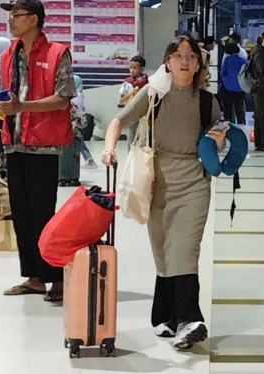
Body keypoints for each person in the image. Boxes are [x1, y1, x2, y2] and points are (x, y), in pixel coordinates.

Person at [102, 35, 222, 350]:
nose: (185, 61)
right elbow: (119, 119)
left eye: (191, 56)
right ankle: (163, 316)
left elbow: (219, 138)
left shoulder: (208, 101)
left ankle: (189, 320)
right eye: (178, 55)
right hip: (156, 179)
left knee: (185, 248)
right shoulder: (152, 94)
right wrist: (109, 148)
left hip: (195, 179)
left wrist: (220, 141)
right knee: (164, 250)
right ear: (167, 61)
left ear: (199, 63)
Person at [0, 0, 77, 302]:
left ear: (33, 20)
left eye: (16, 16)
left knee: (44, 214)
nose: (11, 21)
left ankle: (55, 277)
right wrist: (4, 108)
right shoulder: (7, 55)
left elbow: (63, 97)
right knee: (22, 215)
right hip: (14, 142)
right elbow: (6, 93)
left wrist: (23, 107)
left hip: (44, 145)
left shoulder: (57, 52)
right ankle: (33, 278)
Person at [119, 55, 148, 148]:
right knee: (131, 139)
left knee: (145, 139)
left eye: (135, 68)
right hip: (132, 112)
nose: (132, 70)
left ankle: (143, 161)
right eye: (130, 68)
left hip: (145, 114)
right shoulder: (127, 82)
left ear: (142, 69)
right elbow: (121, 100)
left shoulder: (148, 82)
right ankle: (130, 160)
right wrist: (131, 93)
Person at [220, 42, 247, 126]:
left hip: (227, 86)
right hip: (240, 87)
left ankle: (229, 123)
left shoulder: (227, 60)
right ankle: (241, 123)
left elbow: (222, 72)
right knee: (239, 106)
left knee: (227, 106)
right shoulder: (243, 60)